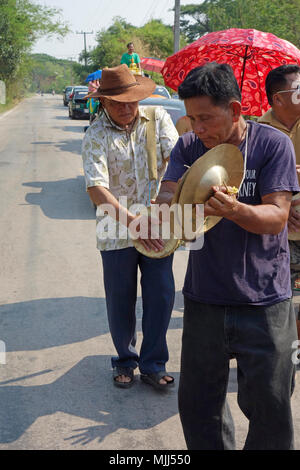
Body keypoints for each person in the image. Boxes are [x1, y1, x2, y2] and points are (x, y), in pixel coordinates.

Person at [155, 62, 299, 449]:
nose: (198, 128)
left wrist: (234, 210)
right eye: (191, 119)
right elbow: (167, 194)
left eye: (206, 118)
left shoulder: (272, 144)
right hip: (205, 297)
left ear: (235, 110)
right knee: (200, 407)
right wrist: (173, 199)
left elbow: (277, 218)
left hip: (265, 300)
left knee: (270, 405)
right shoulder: (188, 146)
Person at [81, 64, 179, 390]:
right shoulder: (96, 133)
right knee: (120, 299)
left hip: (158, 225)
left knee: (161, 295)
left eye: (131, 101)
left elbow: (178, 162)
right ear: (105, 102)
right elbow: (97, 189)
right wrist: (133, 223)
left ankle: (153, 363)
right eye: (118, 103)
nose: (126, 109)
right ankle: (125, 359)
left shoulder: (158, 120)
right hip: (116, 229)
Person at [258, 64, 300, 341]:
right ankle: (275, 354)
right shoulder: (257, 133)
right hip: (277, 235)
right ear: (278, 99)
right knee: (274, 299)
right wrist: (281, 211)